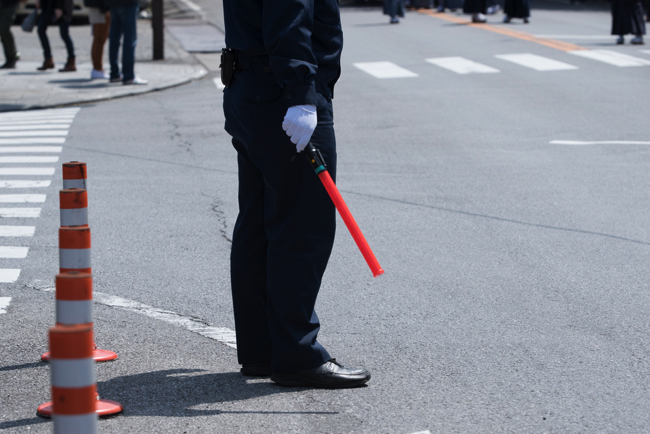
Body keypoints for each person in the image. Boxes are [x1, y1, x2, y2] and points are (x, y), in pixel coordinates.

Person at [221, 0, 372, 388]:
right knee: (302, 228)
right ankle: (295, 353)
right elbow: (288, 16)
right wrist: (301, 92)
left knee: (258, 225)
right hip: (282, 93)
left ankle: (263, 349)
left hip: (251, 85)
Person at [107, 0, 146, 84]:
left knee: (114, 40)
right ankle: (128, 76)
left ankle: (114, 74)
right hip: (129, 3)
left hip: (113, 3)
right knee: (129, 39)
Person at [35, 0, 76, 71]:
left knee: (64, 34)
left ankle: (71, 62)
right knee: (41, 30)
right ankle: (48, 59)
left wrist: (59, 7)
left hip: (62, 5)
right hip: (48, 5)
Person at [84, 0, 110, 79]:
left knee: (98, 39)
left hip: (97, 6)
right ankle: (97, 68)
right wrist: (106, 9)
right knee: (100, 39)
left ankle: (97, 68)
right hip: (100, 8)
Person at [0, 0, 23, 68]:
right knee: (2, 31)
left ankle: (13, 55)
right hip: (2, 4)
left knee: (4, 29)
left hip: (11, 4)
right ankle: (10, 58)